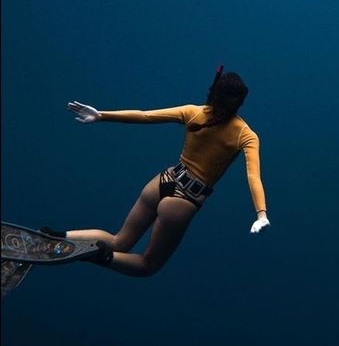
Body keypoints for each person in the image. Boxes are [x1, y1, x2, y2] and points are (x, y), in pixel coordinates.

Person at [44, 67, 269, 278]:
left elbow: (145, 116)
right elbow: (253, 176)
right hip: (183, 200)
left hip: (163, 181)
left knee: (119, 240)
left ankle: (54, 237)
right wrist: (261, 214)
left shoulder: (193, 112)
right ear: (240, 101)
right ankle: (98, 256)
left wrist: (102, 115)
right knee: (147, 266)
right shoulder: (246, 135)